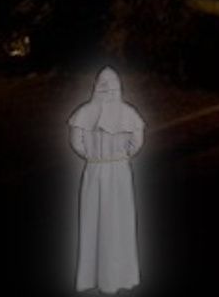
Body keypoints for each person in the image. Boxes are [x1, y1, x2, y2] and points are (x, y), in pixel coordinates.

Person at [68, 67, 144, 293]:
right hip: (119, 172)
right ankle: (120, 275)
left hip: (95, 170)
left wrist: (93, 157)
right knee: (120, 222)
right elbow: (137, 143)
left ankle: (92, 275)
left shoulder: (84, 112)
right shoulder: (129, 113)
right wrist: (122, 156)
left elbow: (77, 143)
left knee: (93, 222)